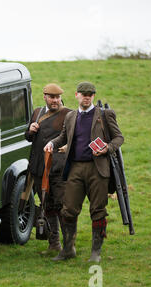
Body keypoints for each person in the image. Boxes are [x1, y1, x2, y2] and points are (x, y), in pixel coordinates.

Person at [44, 82, 124, 262]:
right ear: (76, 95)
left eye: (90, 94)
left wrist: (107, 147)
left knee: (98, 210)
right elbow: (64, 137)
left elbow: (119, 137)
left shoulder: (105, 115)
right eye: (83, 94)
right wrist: (52, 143)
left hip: (98, 169)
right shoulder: (71, 116)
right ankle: (68, 249)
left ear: (93, 96)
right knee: (68, 210)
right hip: (75, 169)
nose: (86, 97)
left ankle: (95, 253)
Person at [25, 83, 71, 254]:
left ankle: (68, 244)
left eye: (58, 97)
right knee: (47, 205)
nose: (55, 100)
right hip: (38, 167)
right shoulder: (37, 113)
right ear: (44, 96)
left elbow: (77, 136)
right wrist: (30, 130)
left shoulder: (68, 114)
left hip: (59, 168)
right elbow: (28, 138)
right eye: (52, 97)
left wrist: (67, 146)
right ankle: (54, 243)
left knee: (62, 206)